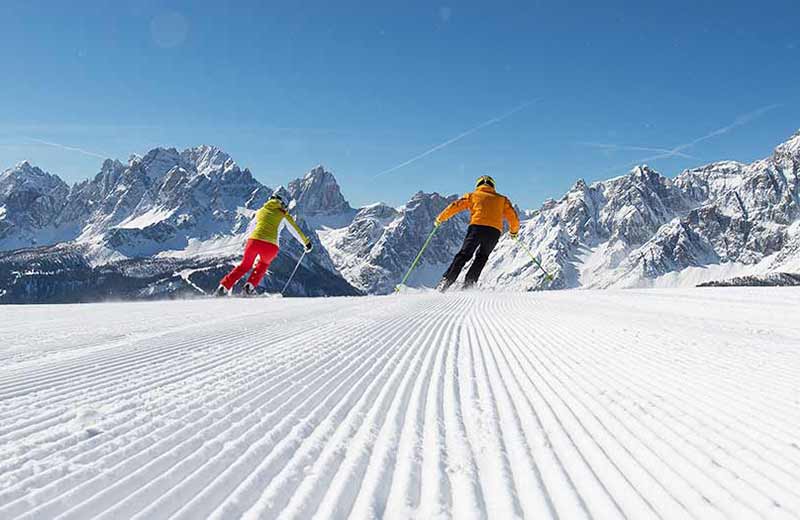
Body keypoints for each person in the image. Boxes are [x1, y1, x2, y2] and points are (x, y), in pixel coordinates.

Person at [434, 175, 520, 291]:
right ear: (492, 186)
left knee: (464, 255)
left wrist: (441, 218)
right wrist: (514, 232)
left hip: (476, 228)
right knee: (482, 257)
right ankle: (469, 285)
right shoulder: (502, 199)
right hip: (494, 233)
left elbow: (455, 206)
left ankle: (446, 282)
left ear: (478, 185)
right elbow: (512, 216)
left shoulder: (473, 196)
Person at [216, 194, 313, 296]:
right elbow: (294, 230)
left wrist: (247, 241)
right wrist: (306, 243)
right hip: (270, 246)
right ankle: (249, 287)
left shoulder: (260, 211)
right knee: (263, 265)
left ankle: (224, 286)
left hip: (253, 241)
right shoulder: (283, 214)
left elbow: (251, 227)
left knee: (244, 265)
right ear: (281, 204)